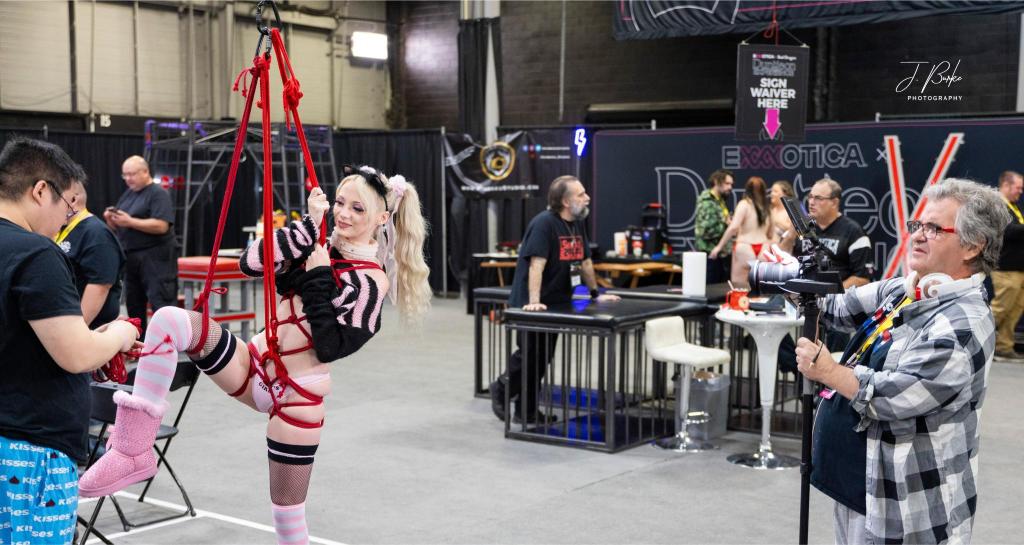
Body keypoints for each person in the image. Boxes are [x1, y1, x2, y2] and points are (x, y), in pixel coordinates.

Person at [79, 165, 430, 545]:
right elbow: (251, 262)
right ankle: (133, 449)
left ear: (381, 219)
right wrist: (307, 227)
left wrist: (317, 277)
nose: (343, 214)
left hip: (297, 399)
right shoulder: (315, 246)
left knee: (288, 518)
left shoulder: (370, 280)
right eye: (340, 203)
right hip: (253, 366)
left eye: (357, 209)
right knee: (168, 320)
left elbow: (331, 345)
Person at [793, 178, 1009, 544]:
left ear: (973, 245)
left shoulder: (963, 324)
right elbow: (836, 307)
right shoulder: (906, 290)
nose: (918, 235)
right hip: (861, 488)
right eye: (918, 225)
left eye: (934, 228)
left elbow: (893, 396)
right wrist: (794, 279)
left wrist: (828, 370)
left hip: (907, 507)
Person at [0, 137, 140, 545]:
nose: (65, 219)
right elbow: (76, 355)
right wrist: (119, 333)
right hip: (30, 449)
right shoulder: (35, 253)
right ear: (40, 190)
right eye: (65, 205)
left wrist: (87, 338)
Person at [490, 175, 620, 424]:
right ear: (566, 201)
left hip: (556, 302)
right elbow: (536, 265)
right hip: (531, 302)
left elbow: (585, 263)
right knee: (529, 354)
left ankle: (526, 411)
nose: (587, 198)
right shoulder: (544, 223)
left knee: (542, 358)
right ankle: (502, 386)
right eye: (581, 194)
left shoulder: (577, 224)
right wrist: (534, 300)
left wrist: (596, 294)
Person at [104, 155, 177, 331]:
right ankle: (140, 342)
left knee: (161, 304)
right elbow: (120, 226)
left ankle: (169, 342)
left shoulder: (158, 193)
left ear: (145, 172)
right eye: (125, 175)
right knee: (134, 305)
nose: (128, 179)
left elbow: (161, 226)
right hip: (132, 257)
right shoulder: (129, 193)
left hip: (155, 258)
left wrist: (130, 221)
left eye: (132, 174)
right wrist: (112, 220)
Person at [57, 178, 126, 328]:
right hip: (64, 320)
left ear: (72, 200)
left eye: (54, 199)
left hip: (90, 329)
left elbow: (100, 286)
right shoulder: (62, 228)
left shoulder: (97, 233)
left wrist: (78, 330)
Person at [710, 176, 772, 289]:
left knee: (738, 288)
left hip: (745, 247)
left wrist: (718, 247)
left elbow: (733, 228)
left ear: (747, 189)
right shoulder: (767, 208)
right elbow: (770, 233)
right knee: (762, 290)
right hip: (764, 249)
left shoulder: (744, 204)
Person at [991, 170, 1024, 362]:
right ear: (1005, 185)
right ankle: (970, 338)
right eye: (1018, 187)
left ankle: (1003, 346)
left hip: (1018, 268)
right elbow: (1007, 231)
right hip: (1005, 268)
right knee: (1000, 308)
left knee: (1015, 309)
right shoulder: (997, 205)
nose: (1020, 191)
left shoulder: (1014, 207)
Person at [694, 169, 734, 284]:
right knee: (711, 290)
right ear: (716, 182)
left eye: (731, 184)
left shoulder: (719, 200)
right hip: (710, 255)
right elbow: (705, 231)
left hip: (719, 254)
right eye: (727, 183)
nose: (730, 187)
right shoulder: (707, 202)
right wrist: (727, 224)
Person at [769, 180, 797, 254]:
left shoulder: (791, 211)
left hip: (784, 252)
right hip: (768, 250)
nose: (771, 194)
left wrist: (775, 220)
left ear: (785, 194)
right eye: (771, 191)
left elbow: (794, 231)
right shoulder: (769, 210)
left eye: (775, 191)